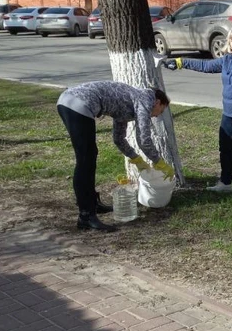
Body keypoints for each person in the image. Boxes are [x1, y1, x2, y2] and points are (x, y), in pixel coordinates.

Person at [160, 23, 232, 196]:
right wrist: (180, 62)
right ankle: (225, 182)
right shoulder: (227, 59)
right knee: (225, 148)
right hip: (228, 113)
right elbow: (205, 66)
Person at [57, 81, 174, 231]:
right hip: (78, 103)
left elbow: (118, 138)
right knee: (85, 160)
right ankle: (86, 216)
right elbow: (144, 139)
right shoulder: (146, 99)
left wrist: (136, 159)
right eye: (161, 110)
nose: (157, 116)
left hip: (69, 101)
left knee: (89, 155)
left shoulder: (129, 101)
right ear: (158, 102)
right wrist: (158, 161)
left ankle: (92, 204)